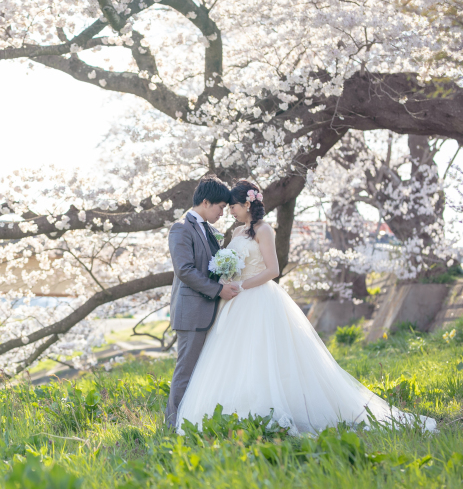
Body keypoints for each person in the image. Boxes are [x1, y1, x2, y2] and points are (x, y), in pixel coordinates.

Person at [175, 180, 436, 434]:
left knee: (263, 354)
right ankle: (233, 408)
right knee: (233, 357)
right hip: (234, 302)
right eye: (226, 206)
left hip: (257, 298)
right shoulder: (235, 232)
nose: (229, 211)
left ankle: (271, 407)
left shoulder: (264, 230)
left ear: (247, 204)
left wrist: (242, 285)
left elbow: (273, 270)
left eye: (233, 205)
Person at [165, 176, 240, 427]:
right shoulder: (181, 229)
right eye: (220, 207)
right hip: (191, 312)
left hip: (209, 311)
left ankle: (195, 420)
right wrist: (218, 289)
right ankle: (173, 425)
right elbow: (184, 270)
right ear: (206, 202)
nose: (222, 212)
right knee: (186, 370)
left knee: (202, 370)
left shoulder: (209, 230)